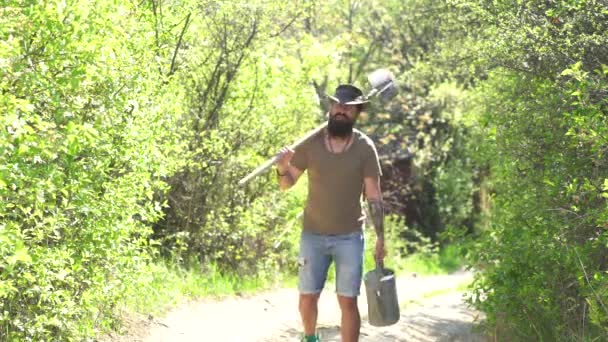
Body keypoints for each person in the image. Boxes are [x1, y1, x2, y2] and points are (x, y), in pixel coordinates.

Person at [275, 84, 386, 342]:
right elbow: (286, 183)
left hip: (349, 237)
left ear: (356, 113)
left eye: (347, 107)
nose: (340, 110)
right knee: (306, 297)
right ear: (330, 108)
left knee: (348, 301)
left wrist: (380, 237)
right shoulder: (310, 144)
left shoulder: (364, 148)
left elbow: (374, 196)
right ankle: (310, 338)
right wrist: (282, 167)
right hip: (312, 235)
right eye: (337, 105)